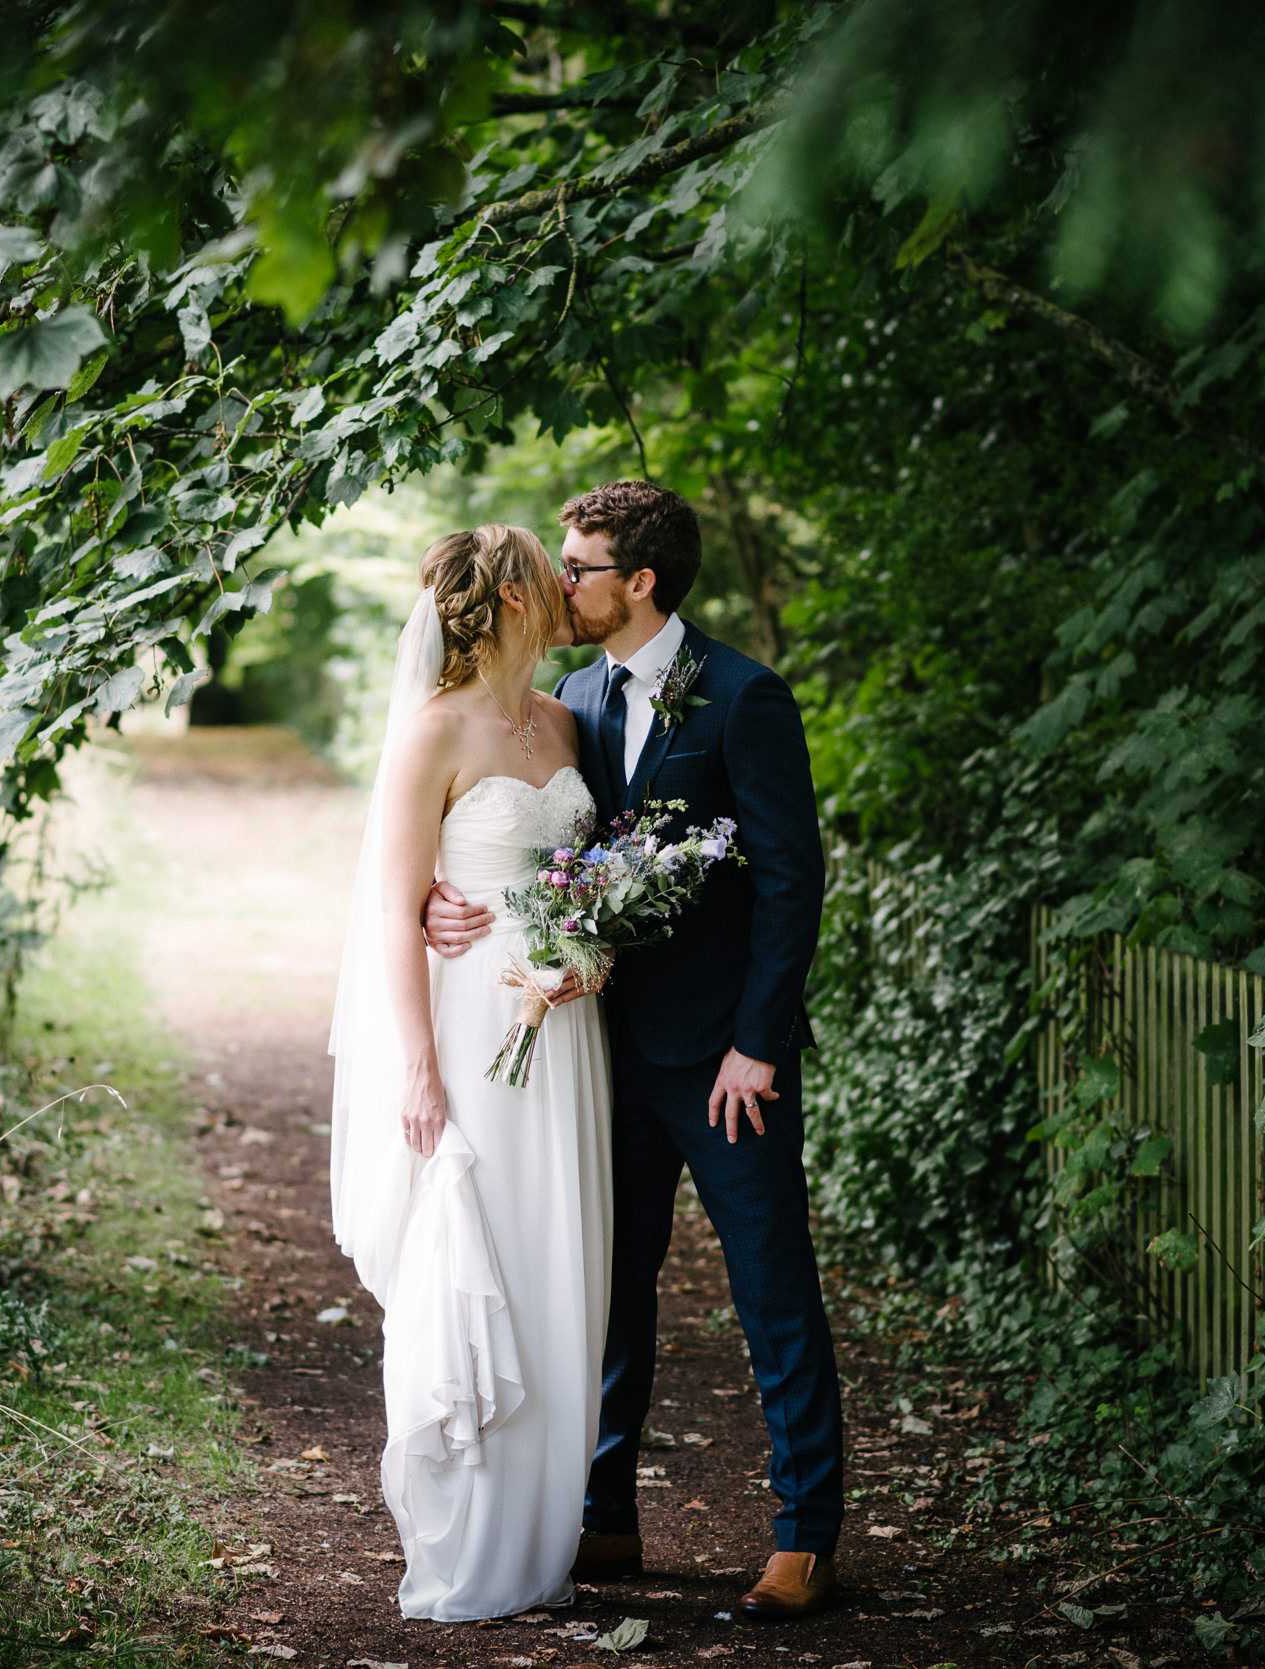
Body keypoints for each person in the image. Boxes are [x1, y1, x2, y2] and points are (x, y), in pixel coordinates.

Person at [422, 481, 844, 1622]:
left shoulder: (745, 697)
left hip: (720, 1062)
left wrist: (757, 1042)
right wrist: (438, 906)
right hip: (591, 1049)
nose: (563, 583)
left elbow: (790, 879)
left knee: (770, 1286)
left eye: (580, 565)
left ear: (640, 579)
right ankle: (604, 1509)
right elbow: (508, 837)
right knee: (606, 1287)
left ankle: (804, 1532)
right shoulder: (565, 699)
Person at [327, 524, 613, 1620]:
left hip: (567, 1031)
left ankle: (545, 1548)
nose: (562, 592)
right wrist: (417, 1069)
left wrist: (593, 949)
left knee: (558, 1269)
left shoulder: (565, 721)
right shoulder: (431, 733)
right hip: (472, 1033)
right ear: (504, 604)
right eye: (547, 579)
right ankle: (468, 1540)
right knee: (474, 1258)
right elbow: (394, 915)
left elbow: (591, 872)